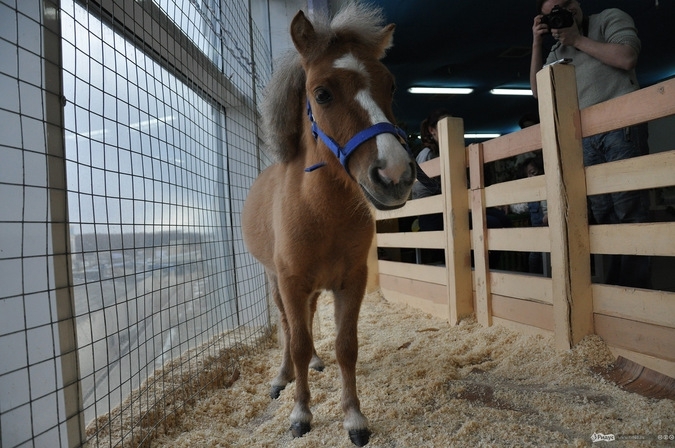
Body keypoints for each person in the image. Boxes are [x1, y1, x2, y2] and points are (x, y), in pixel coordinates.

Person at [529, 0, 651, 288]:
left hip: (621, 127)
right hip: (583, 135)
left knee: (629, 211)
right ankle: (613, 291)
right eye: (552, 13)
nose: (563, 13)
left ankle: (636, 294)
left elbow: (627, 57)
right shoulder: (557, 48)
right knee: (602, 216)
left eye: (565, 5)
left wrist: (578, 39)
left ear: (577, 4)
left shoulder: (608, 18)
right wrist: (537, 43)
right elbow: (538, 91)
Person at [524, 152, 548, 274]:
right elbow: (520, 206)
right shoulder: (530, 193)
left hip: (549, 231)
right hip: (537, 235)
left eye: (533, 173)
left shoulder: (548, 189)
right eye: (528, 175)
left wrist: (549, 217)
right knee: (534, 258)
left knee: (549, 260)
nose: (530, 178)